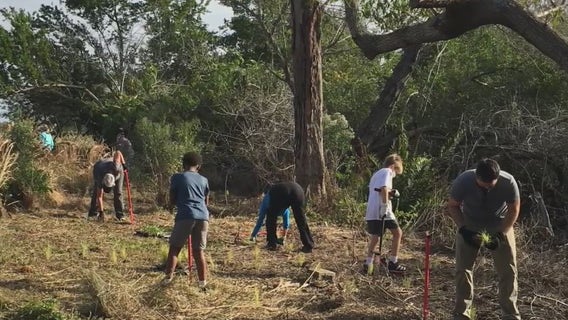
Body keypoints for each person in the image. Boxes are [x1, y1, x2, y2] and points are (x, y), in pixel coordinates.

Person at [446, 158, 521, 320]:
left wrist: (502, 234)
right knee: (462, 269)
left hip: (499, 223)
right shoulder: (464, 181)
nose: (487, 187)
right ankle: (461, 313)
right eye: (483, 184)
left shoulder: (508, 182)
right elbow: (453, 205)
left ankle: (510, 314)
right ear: (476, 177)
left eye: (491, 185)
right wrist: (463, 229)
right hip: (470, 223)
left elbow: (514, 209)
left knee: (508, 271)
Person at [163, 152, 210, 290]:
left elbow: (172, 199)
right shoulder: (204, 180)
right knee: (199, 251)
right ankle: (202, 284)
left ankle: (167, 280)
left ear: (183, 164)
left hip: (185, 215)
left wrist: (175, 204)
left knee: (174, 249)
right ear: (198, 166)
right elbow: (206, 201)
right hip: (203, 216)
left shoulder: (178, 177)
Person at [363, 153, 406, 274]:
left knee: (376, 236)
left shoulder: (377, 173)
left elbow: (380, 189)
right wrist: (385, 206)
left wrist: (392, 192)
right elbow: (383, 189)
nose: (394, 175)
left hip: (372, 210)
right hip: (382, 210)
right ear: (393, 166)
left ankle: (368, 262)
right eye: (396, 172)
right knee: (398, 233)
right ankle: (393, 262)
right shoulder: (387, 172)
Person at [264, 181, 314, 253]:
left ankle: (272, 244)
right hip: (299, 190)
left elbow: (272, 212)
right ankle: (308, 245)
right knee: (301, 219)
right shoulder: (279, 186)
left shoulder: (272, 192)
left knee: (271, 216)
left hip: (287, 193)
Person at [87, 150, 127, 221]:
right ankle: (93, 213)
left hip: (118, 171)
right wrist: (101, 212)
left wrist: (124, 165)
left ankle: (120, 215)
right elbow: (99, 196)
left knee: (118, 192)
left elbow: (118, 152)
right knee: (96, 193)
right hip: (100, 166)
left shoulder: (116, 167)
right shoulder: (99, 176)